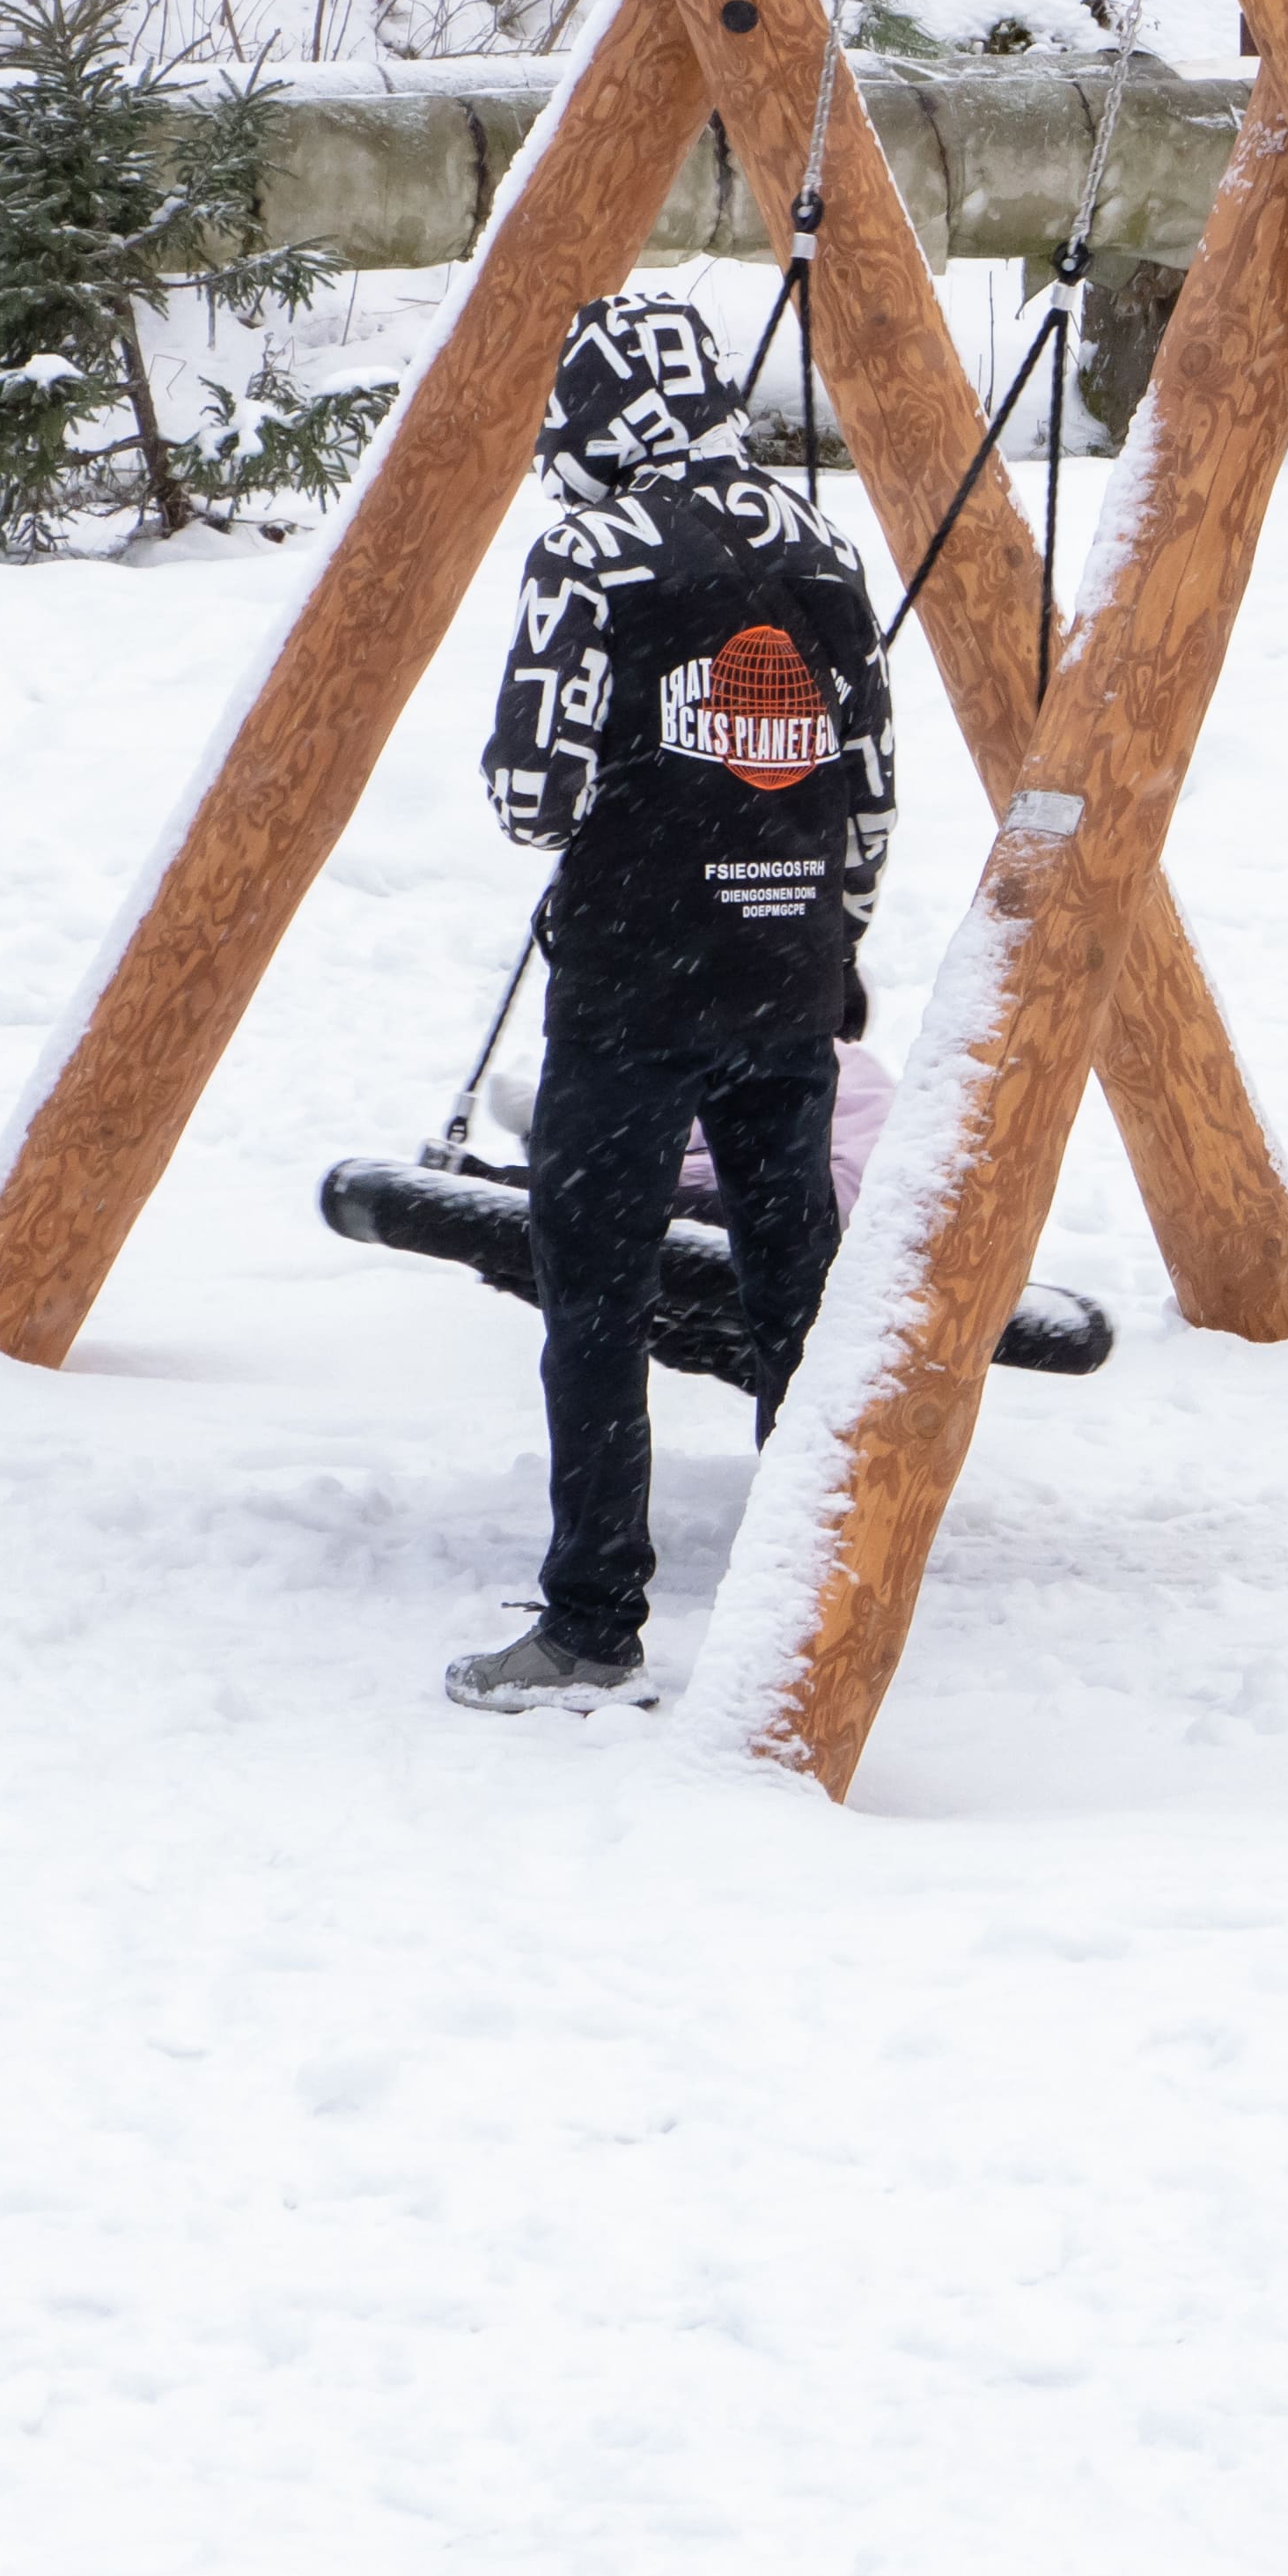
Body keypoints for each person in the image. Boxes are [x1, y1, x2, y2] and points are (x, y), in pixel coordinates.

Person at [443, 299, 894, 1712]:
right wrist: (826, 938)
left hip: (633, 988)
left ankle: (591, 1620)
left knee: (596, 1292)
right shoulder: (823, 547)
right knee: (799, 1294)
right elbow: (868, 797)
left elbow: (534, 795)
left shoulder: (591, 552)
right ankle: (819, 1593)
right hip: (787, 982)